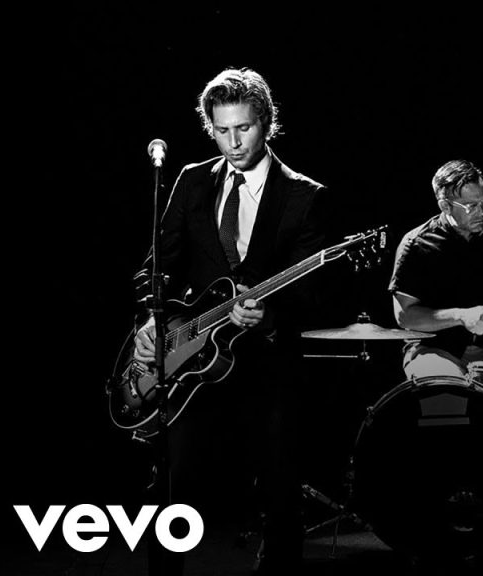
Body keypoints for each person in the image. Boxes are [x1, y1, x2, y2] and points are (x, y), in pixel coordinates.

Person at [133, 68, 333, 575]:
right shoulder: (191, 180)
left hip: (267, 362)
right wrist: (151, 320)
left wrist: (269, 315)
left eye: (243, 128)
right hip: (193, 357)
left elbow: (316, 295)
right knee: (172, 480)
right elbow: (157, 266)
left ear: (266, 122)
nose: (233, 142)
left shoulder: (304, 195)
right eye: (222, 130)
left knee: (280, 483)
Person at [389, 159, 483, 379]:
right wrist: (461, 316)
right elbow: (405, 317)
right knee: (446, 385)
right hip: (433, 350)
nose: (482, 211)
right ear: (445, 206)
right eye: (471, 206)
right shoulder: (416, 244)